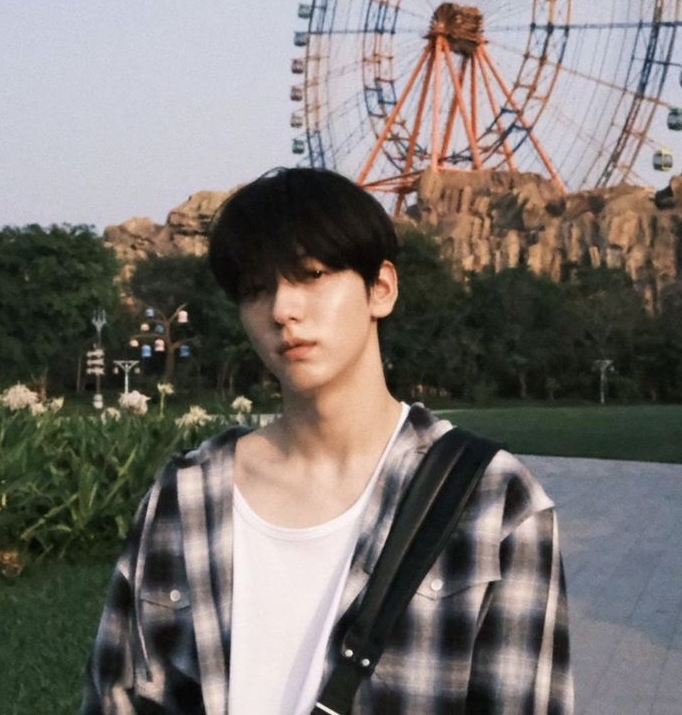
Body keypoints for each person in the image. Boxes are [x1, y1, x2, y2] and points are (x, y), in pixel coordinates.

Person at [81, 167, 573, 715]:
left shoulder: (495, 504)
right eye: (255, 289)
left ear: (380, 289)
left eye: (312, 275)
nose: (282, 311)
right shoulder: (184, 498)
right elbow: (116, 697)